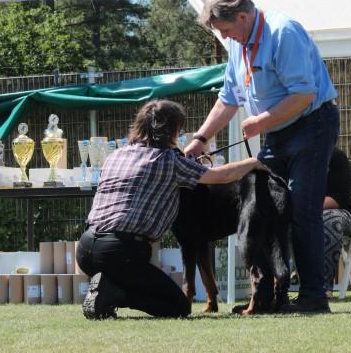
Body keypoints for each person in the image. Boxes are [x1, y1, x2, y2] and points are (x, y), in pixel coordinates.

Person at [184, 0, 339, 313]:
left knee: (300, 208)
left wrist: (260, 121)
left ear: (243, 16)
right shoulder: (237, 48)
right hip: (277, 134)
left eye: (225, 30)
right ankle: (268, 296)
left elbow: (304, 95)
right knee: (269, 206)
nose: (224, 36)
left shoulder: (283, 33)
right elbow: (228, 99)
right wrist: (201, 138)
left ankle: (313, 296)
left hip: (312, 125)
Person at [76, 99, 266, 319]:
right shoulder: (168, 160)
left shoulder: (115, 156)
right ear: (172, 130)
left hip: (85, 249)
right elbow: (220, 176)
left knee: (131, 277)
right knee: (178, 307)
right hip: (122, 251)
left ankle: (108, 287)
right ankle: (114, 295)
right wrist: (251, 162)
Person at [323, 147, 351, 298]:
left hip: (341, 213)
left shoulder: (335, 157)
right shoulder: (292, 156)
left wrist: (305, 206)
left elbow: (339, 199)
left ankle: (323, 287)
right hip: (301, 213)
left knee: (327, 220)